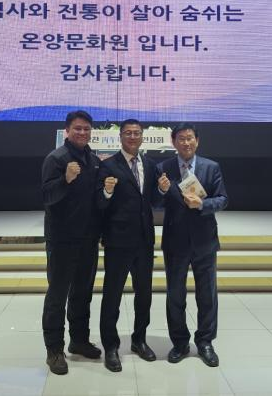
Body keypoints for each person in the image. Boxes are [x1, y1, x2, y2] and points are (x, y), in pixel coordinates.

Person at [157, 122, 228, 367]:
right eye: (181, 138)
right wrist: (161, 191)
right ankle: (179, 342)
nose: (186, 142)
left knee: (207, 295)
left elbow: (223, 199)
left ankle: (205, 341)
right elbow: (155, 202)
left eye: (190, 138)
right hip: (175, 242)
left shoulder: (211, 167)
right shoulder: (164, 168)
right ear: (173, 142)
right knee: (175, 295)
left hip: (204, 241)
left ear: (197, 141)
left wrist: (202, 204)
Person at [97, 119, 165, 372]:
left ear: (142, 136)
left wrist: (162, 190)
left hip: (144, 241)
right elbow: (99, 203)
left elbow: (152, 200)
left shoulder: (150, 165)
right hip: (117, 240)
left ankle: (139, 340)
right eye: (128, 133)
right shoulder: (108, 165)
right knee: (112, 295)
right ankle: (111, 346)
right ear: (121, 137)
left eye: (137, 133)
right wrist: (106, 192)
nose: (133, 137)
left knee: (144, 295)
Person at [40, 110, 103, 375]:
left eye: (86, 129)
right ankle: (54, 349)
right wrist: (65, 179)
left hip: (88, 239)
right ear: (67, 130)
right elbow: (46, 196)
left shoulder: (93, 160)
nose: (82, 133)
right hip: (62, 239)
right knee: (58, 295)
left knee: (82, 293)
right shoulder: (56, 159)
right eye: (77, 128)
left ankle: (79, 340)